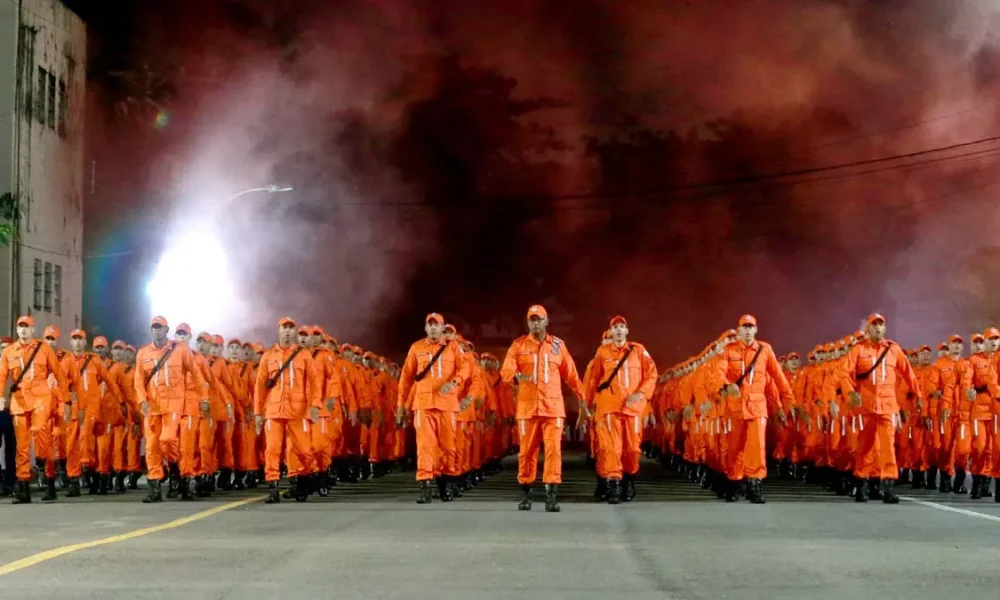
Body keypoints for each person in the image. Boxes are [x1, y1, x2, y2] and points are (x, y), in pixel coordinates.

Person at [500, 304, 584, 513]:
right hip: (528, 409)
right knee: (527, 452)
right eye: (532, 320)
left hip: (553, 408)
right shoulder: (518, 346)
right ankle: (526, 494)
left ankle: (551, 496)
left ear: (546, 321)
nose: (535, 323)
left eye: (539, 319)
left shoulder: (558, 346)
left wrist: (583, 398)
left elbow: (571, 375)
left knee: (554, 452)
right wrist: (516, 377)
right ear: (528, 322)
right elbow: (506, 371)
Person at [838, 313, 923, 504]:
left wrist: (917, 394)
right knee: (864, 447)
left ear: (885, 328)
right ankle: (861, 485)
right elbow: (844, 372)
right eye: (874, 325)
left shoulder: (893, 349)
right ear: (868, 329)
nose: (877, 328)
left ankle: (888, 488)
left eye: (880, 325)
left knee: (887, 448)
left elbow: (908, 372)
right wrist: (850, 391)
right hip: (865, 406)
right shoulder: (858, 349)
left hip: (888, 406)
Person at [713, 314, 791, 504]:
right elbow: (717, 372)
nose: (747, 331)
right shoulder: (728, 351)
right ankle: (734, 482)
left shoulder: (765, 350)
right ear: (738, 330)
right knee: (735, 447)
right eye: (744, 327)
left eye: (751, 327)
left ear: (756, 330)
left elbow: (778, 376)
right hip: (735, 406)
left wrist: (787, 398)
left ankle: (755, 485)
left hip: (757, 406)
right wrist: (725, 384)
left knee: (756, 447)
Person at [396, 313, 470, 504]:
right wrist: (401, 405)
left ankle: (446, 485)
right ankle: (425, 487)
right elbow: (406, 377)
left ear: (443, 327)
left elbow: (465, 368)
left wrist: (455, 382)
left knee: (448, 446)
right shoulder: (416, 347)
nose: (434, 328)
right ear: (426, 328)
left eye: (437, 325)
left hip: (447, 405)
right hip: (423, 405)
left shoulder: (453, 347)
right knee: (425, 446)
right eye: (430, 325)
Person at [134, 316, 208, 504]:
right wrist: (142, 400)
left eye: (160, 327)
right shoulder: (143, 353)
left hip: (173, 404)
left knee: (167, 439)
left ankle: (174, 466)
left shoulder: (180, 351)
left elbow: (196, 374)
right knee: (151, 446)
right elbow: (138, 381)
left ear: (167, 330)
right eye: (154, 328)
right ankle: (155, 487)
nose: (157, 331)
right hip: (152, 406)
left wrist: (204, 397)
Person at [584, 316, 658, 504]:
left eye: (621, 327)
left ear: (627, 331)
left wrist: (641, 394)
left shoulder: (638, 351)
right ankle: (614, 485)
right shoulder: (602, 352)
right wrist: (588, 405)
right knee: (612, 449)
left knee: (632, 449)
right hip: (610, 407)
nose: (618, 330)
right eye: (615, 327)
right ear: (611, 331)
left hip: (633, 409)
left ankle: (628, 480)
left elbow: (652, 374)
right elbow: (593, 380)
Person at [0, 315, 69, 504]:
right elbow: (2, 375)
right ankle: (23, 487)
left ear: (33, 330)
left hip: (41, 397)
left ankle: (45, 472)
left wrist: (67, 400)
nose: (23, 330)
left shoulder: (43, 349)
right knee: (21, 446)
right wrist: (0, 396)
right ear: (17, 330)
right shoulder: (9, 352)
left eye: (26, 326)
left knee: (41, 434)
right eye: (20, 327)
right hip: (19, 401)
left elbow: (59, 374)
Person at [253, 317, 322, 504]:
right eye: (285, 328)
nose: (288, 331)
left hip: (298, 411)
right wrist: (258, 413)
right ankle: (273, 487)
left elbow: (315, 382)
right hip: (274, 410)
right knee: (272, 450)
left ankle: (301, 481)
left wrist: (315, 405)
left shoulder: (304, 355)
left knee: (304, 450)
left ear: (295, 332)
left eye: (291, 328)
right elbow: (260, 386)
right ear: (279, 331)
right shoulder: (268, 356)